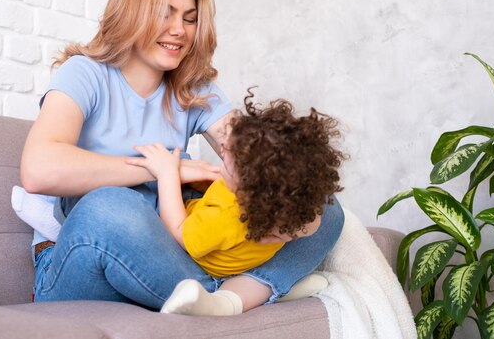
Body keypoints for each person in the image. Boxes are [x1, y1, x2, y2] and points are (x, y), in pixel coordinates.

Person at [18, 0, 346, 311]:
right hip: (83, 259)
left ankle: (231, 296)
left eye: (190, 19)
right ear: (131, 13)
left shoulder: (192, 88)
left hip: (172, 258)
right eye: (166, 14)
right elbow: (39, 171)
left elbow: (264, 159)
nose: (180, 30)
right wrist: (164, 169)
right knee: (108, 205)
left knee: (323, 206)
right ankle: (246, 291)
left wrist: (286, 216)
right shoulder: (84, 73)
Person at [126, 91, 345, 315]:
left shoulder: (227, 216)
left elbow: (179, 232)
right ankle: (267, 289)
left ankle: (226, 298)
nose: (222, 148)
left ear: (245, 187)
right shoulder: (299, 213)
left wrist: (167, 174)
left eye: (229, 157)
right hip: (244, 255)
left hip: (204, 260)